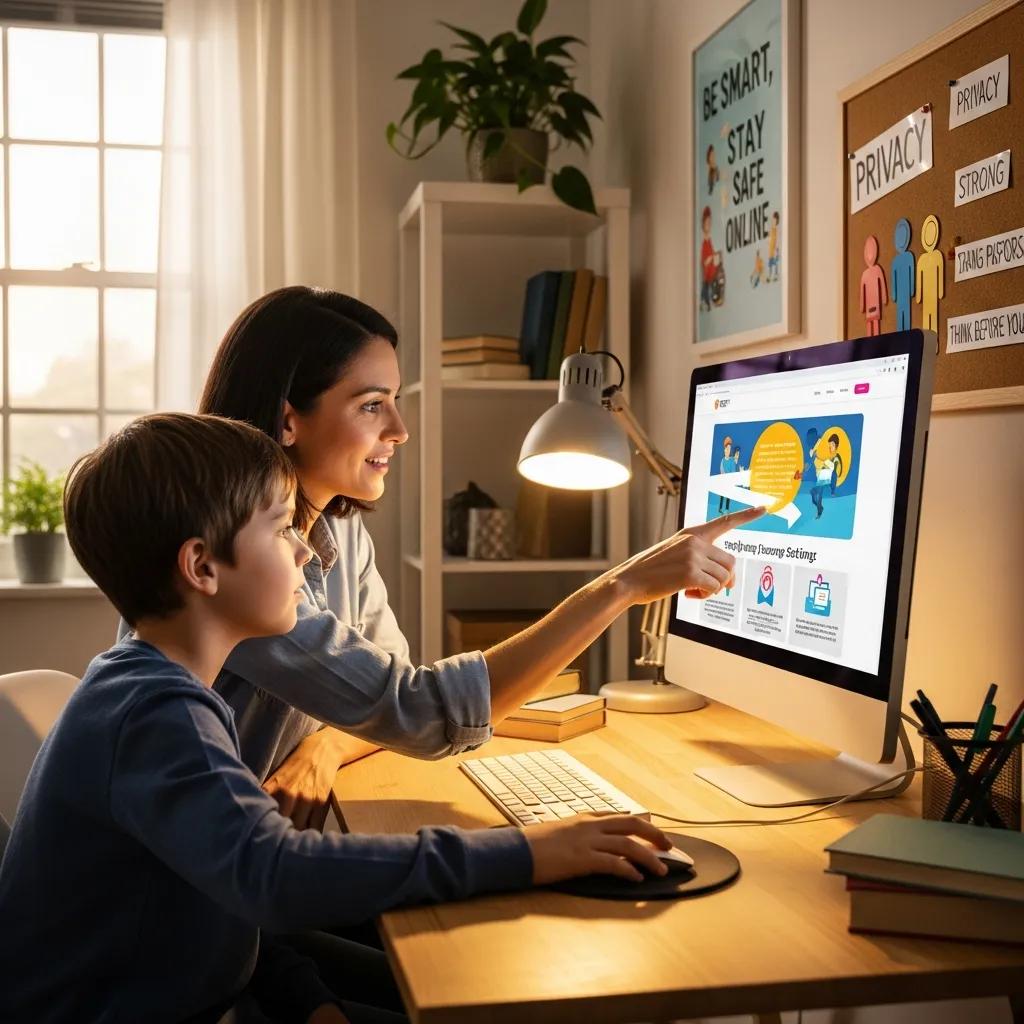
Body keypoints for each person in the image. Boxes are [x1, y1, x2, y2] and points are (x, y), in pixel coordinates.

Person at [0, 414, 681, 1024]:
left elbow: (214, 898)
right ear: (202, 567)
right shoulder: (154, 713)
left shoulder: (164, 693)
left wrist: (307, 997)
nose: (304, 551)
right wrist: (531, 851)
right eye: (279, 527)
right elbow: (272, 874)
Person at [189, 287, 762, 830]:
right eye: (371, 406)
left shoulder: (338, 528)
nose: (401, 430)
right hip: (223, 888)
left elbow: (386, 690)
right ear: (288, 420)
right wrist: (621, 586)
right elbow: (420, 711)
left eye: (395, 400)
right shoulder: (236, 560)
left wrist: (329, 744)